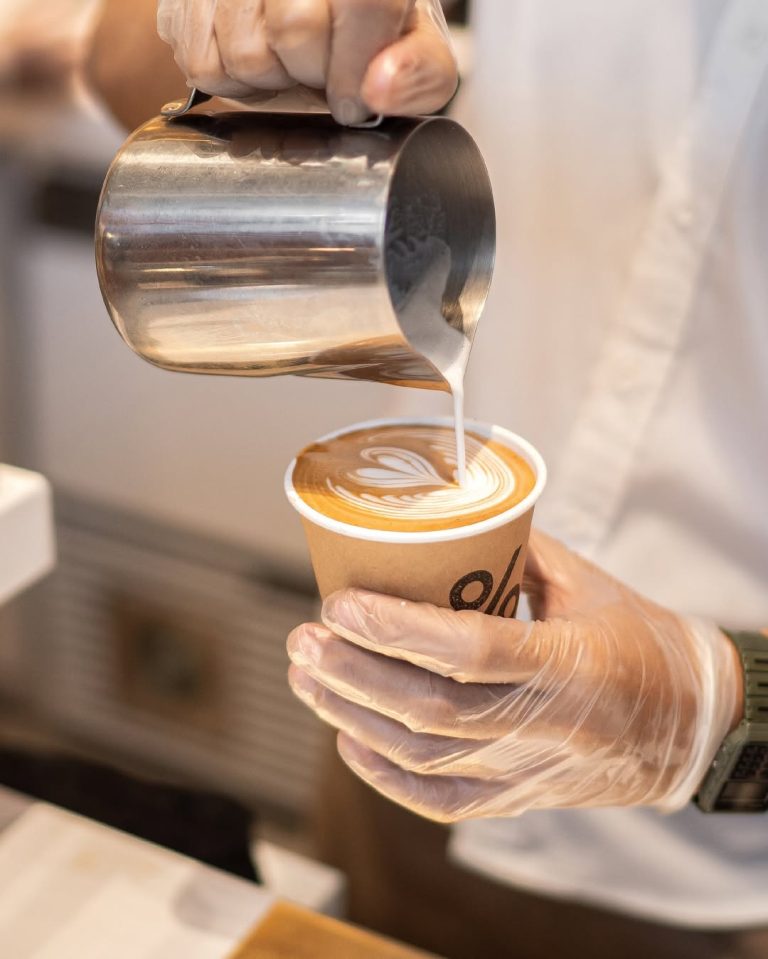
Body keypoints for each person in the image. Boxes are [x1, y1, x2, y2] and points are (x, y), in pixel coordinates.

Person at [84, 2, 768, 957]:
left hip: (717, 877)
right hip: (392, 765)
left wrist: (706, 711)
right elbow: (122, 68)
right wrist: (233, 28)